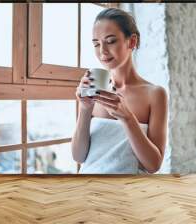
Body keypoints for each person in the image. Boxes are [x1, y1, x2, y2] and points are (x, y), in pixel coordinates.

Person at [71, 8, 168, 174]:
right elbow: (79, 157)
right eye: (96, 44)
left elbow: (153, 165)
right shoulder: (92, 91)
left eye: (110, 41)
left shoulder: (155, 94)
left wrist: (128, 118)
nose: (102, 51)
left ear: (131, 42)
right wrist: (85, 109)